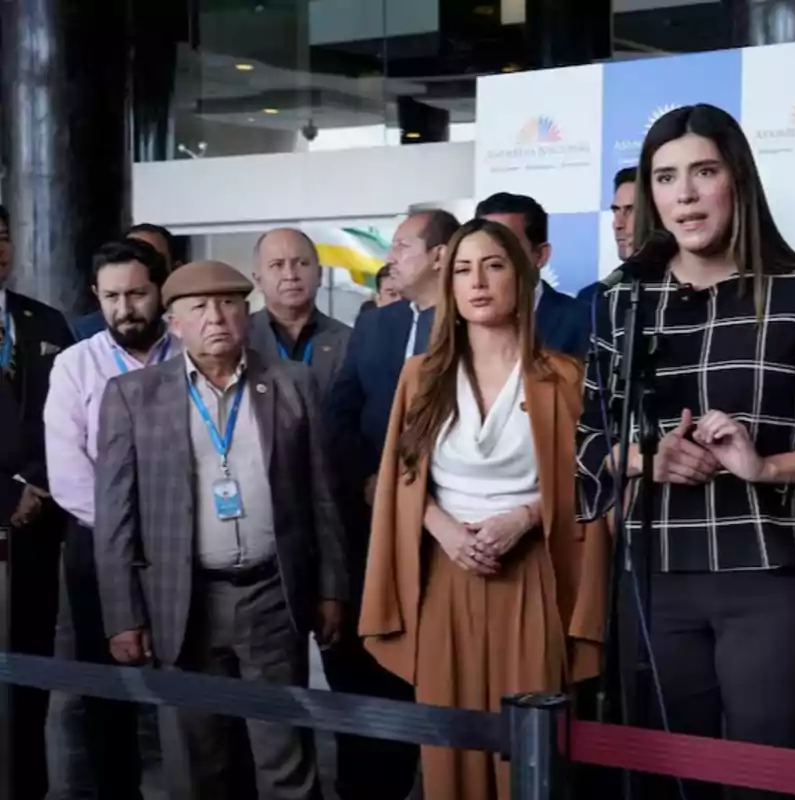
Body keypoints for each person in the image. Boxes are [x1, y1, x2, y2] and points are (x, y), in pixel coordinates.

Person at [576, 104, 795, 800]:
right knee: (668, 781)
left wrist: (765, 466)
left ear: (737, 180)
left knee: (765, 780)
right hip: (655, 574)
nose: (684, 194)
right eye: (665, 177)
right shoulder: (621, 302)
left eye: (703, 171)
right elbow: (590, 441)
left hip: (771, 576)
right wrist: (648, 458)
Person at [359, 219, 606, 800]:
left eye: (493, 266)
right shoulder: (419, 378)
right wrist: (445, 530)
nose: (477, 282)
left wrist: (522, 518)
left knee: (532, 750)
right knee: (452, 748)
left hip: (533, 574)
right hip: (447, 575)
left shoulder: (564, 377)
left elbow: (590, 484)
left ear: (521, 278)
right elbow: (401, 479)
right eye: (463, 269)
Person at [93, 260, 347, 799]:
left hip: (271, 597)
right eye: (199, 308)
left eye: (228, 304)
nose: (216, 318)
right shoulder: (133, 396)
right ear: (174, 322)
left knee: (287, 760)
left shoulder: (291, 383)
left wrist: (330, 589)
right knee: (198, 762)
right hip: (182, 602)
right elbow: (115, 516)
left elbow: (322, 496)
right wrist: (122, 616)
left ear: (246, 314)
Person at [322, 207, 459, 799]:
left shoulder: (469, 324)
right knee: (374, 669)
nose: (390, 256)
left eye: (402, 245)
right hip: (373, 523)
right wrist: (367, 481)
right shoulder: (374, 325)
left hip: (446, 525)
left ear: (439, 255)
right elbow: (342, 411)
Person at [44, 238, 177, 798]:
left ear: (161, 293)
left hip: (184, 544)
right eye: (113, 296)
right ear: (96, 298)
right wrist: (129, 533)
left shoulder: (191, 351)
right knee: (105, 687)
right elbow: (68, 470)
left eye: (138, 294)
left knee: (189, 678)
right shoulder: (77, 364)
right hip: (99, 544)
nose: (126, 308)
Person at [0, 203, 75, 798]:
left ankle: (29, 786)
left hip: (38, 529)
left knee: (33, 666)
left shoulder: (46, 321)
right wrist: (7, 493)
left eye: (3, 237)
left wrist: (36, 485)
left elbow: (75, 417)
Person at [476, 192, 589, 358]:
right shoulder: (445, 322)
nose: (493, 255)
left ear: (541, 255)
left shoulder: (583, 322)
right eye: (484, 243)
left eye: (507, 244)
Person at [246, 227, 351, 396]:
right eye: (277, 265)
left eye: (301, 263)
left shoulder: (350, 341)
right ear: (258, 280)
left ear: (319, 275)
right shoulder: (240, 338)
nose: (290, 275)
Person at [71, 223, 178, 341]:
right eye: (111, 295)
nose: (124, 311)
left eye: (137, 294)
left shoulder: (190, 339)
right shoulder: (78, 354)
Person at [577, 167, 638, 309]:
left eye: (630, 210)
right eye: (616, 211)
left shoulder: (685, 289)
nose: (618, 224)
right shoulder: (593, 297)